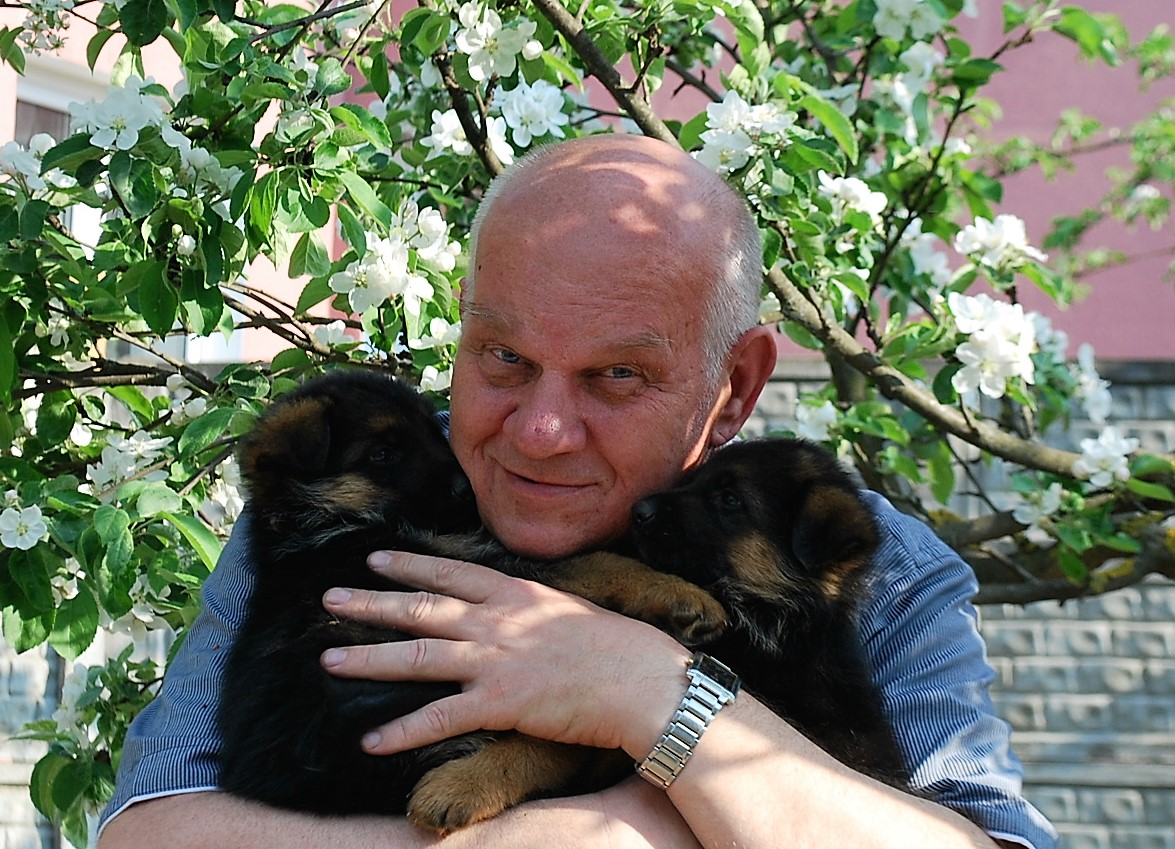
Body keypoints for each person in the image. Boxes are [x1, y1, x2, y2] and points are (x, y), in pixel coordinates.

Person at [97, 134, 1057, 849]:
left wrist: (655, 698)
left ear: (734, 388)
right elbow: (148, 830)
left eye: (616, 375)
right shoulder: (364, 501)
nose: (539, 431)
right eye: (504, 356)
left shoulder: (858, 564)